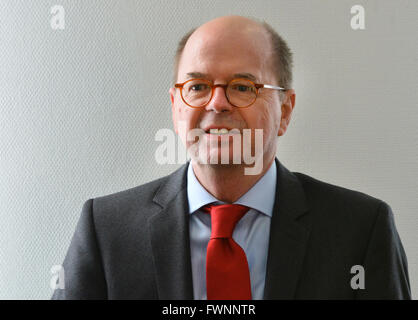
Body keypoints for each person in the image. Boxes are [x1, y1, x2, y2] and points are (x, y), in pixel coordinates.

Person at [52, 15, 411, 300]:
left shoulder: (361, 229)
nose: (217, 102)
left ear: (285, 110)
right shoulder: (106, 229)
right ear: (177, 108)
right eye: (197, 87)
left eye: (242, 86)